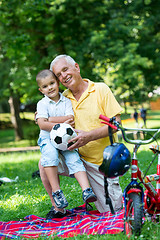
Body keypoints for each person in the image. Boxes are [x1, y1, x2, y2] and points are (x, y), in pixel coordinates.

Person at [39, 55, 123, 219]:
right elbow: (43, 113)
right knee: (45, 162)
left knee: (113, 211)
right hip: (74, 157)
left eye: (65, 69)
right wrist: (40, 118)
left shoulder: (100, 89)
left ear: (76, 67)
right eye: (58, 74)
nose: (63, 76)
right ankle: (58, 207)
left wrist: (88, 137)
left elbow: (116, 124)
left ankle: (94, 192)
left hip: (101, 163)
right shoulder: (62, 97)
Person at [36, 69, 97, 213]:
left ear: (57, 83)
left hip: (65, 138)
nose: (49, 88)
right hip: (47, 139)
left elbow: (71, 120)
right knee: (50, 156)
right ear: (41, 90)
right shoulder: (42, 104)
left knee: (74, 158)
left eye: (51, 83)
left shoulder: (66, 101)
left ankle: (86, 190)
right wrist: (59, 123)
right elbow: (42, 125)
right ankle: (57, 193)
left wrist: (48, 119)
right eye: (45, 86)